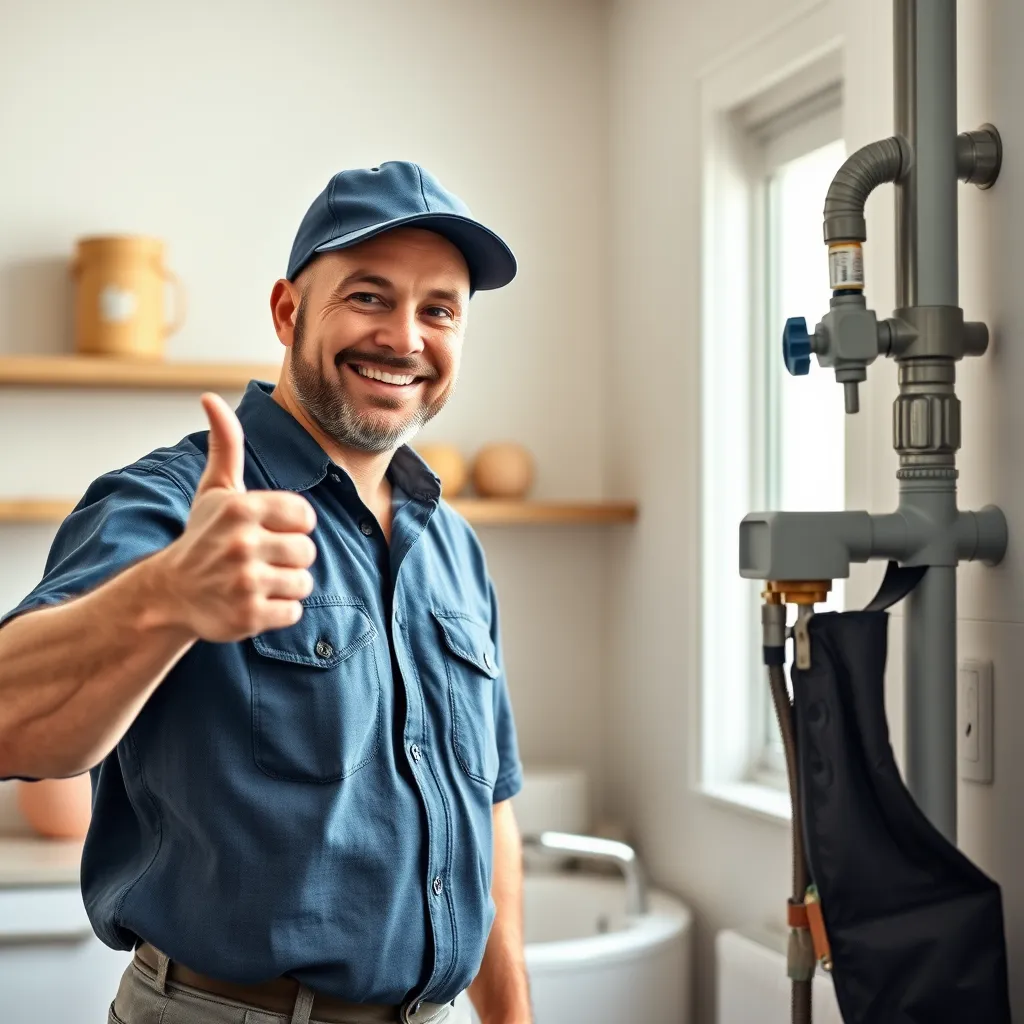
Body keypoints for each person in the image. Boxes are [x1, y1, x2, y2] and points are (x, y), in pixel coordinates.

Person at [0, 161, 530, 1024]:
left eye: (439, 310)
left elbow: (488, 813)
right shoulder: (175, 503)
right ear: (288, 311)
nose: (405, 337)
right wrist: (165, 597)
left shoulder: (453, 546)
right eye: (368, 296)